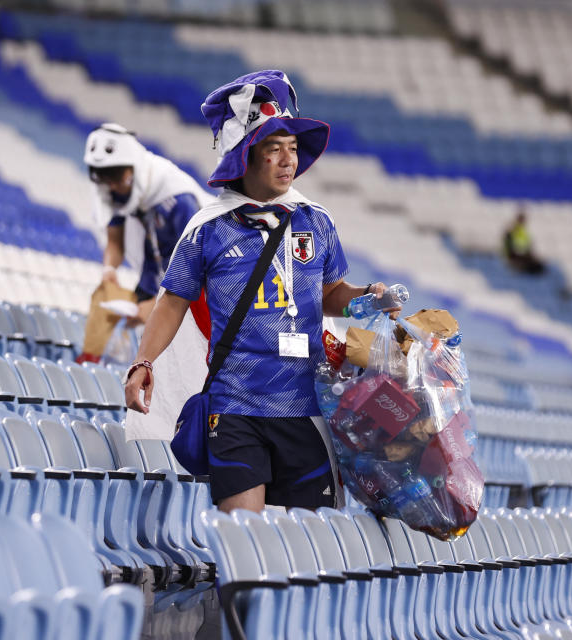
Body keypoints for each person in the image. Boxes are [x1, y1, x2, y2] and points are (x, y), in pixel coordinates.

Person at [124, 70, 401, 514]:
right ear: (244, 158)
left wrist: (368, 296)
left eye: (292, 149)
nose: (289, 160)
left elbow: (331, 292)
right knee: (244, 541)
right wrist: (143, 362)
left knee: (305, 554)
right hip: (235, 410)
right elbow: (172, 301)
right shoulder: (207, 229)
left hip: (306, 408)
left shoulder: (316, 220)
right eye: (274, 149)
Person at [78, 123, 213, 362]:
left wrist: (155, 306)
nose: (112, 186)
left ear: (133, 170)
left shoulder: (179, 200)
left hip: (191, 287)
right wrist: (109, 271)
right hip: (154, 275)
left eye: (115, 177)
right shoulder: (120, 190)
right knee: (104, 303)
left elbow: (196, 266)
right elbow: (115, 240)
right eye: (104, 178)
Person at [503, 208, 545, 274]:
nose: (523, 221)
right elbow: (512, 247)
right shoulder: (512, 231)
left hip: (522, 255)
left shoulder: (523, 231)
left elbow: (527, 245)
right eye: (521, 219)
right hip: (516, 256)